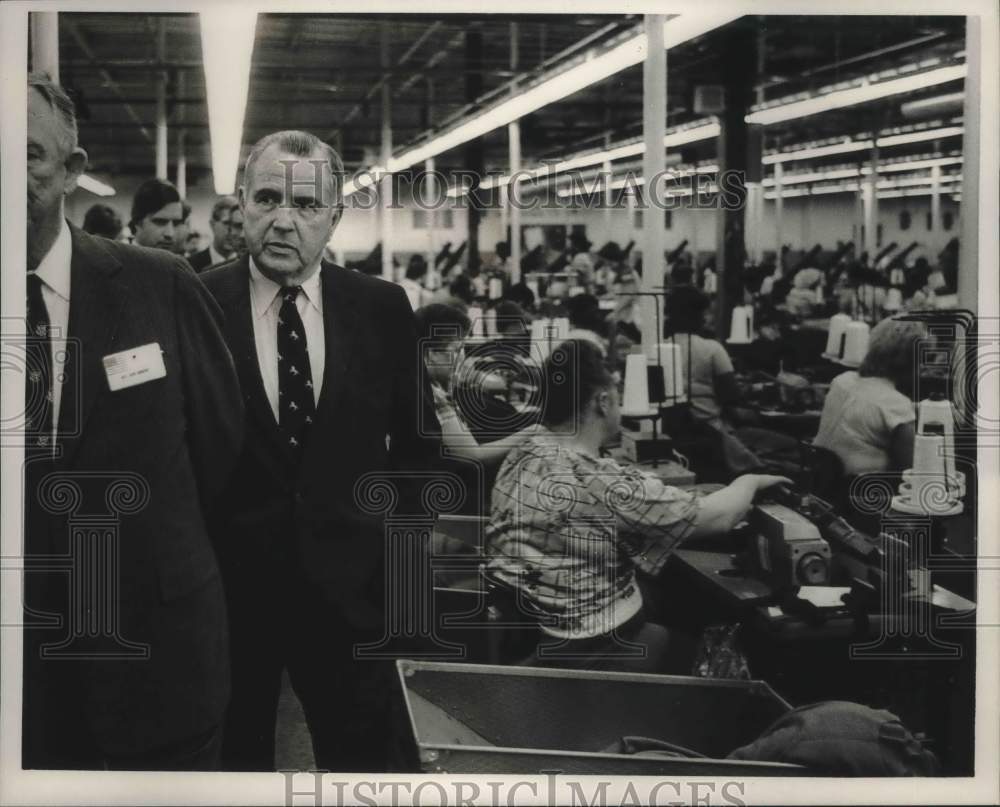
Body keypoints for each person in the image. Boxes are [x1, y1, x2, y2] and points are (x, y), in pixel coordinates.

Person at [200, 129, 441, 772]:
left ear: (334, 218)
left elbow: (420, 450)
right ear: (241, 204)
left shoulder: (382, 309)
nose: (284, 220)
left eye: (306, 206)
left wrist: (393, 555)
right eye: (268, 198)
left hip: (351, 601)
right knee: (233, 767)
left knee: (368, 768)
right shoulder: (195, 303)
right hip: (230, 600)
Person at [23, 73, 243, 770]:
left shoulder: (160, 286)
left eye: (25, 151)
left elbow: (222, 452)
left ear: (71, 171)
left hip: (154, 663)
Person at [486, 340, 789, 672]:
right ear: (602, 402)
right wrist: (750, 482)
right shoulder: (598, 480)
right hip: (592, 640)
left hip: (526, 625)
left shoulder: (526, 449)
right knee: (713, 634)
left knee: (661, 587)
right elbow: (719, 516)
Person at [415, 303, 539, 469]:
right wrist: (532, 431)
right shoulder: (432, 394)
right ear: (432, 355)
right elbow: (473, 456)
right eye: (457, 350)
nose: (462, 358)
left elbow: (479, 380)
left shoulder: (419, 378)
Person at [814, 318, 926, 475]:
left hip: (821, 481)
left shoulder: (841, 381)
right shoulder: (895, 405)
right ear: (912, 361)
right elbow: (911, 468)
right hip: (862, 492)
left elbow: (870, 404)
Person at [129, 177, 186, 252]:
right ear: (137, 222)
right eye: (160, 222)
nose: (170, 234)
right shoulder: (117, 261)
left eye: (176, 223)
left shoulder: (175, 261)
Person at [188, 195, 238, 272]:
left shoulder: (250, 264)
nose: (232, 231)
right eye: (227, 223)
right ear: (212, 224)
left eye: (237, 225)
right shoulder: (191, 265)